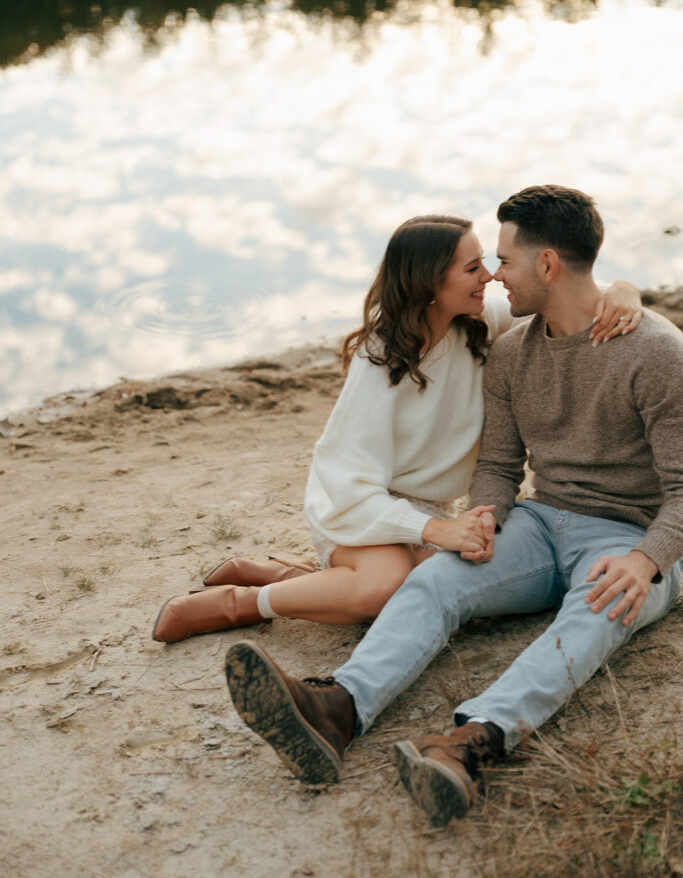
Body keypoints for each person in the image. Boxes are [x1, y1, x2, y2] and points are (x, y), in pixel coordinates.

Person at [222, 185, 683, 825]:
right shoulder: (512, 350)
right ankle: (338, 708)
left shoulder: (656, 350)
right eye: (484, 264)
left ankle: (473, 743)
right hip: (541, 523)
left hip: (628, 538)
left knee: (599, 606)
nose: (495, 275)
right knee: (437, 575)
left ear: (547, 265)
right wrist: (485, 518)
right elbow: (498, 464)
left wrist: (646, 561)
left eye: (505, 261)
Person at [152, 212, 640, 643]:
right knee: (382, 587)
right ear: (431, 283)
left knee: (446, 587)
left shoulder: (479, 325)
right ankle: (234, 604)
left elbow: (563, 304)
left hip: (427, 509)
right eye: (473, 268)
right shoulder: (380, 360)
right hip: (358, 507)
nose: (491, 275)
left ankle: (286, 574)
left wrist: (621, 290)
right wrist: (434, 530)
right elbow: (348, 485)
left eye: (488, 264)